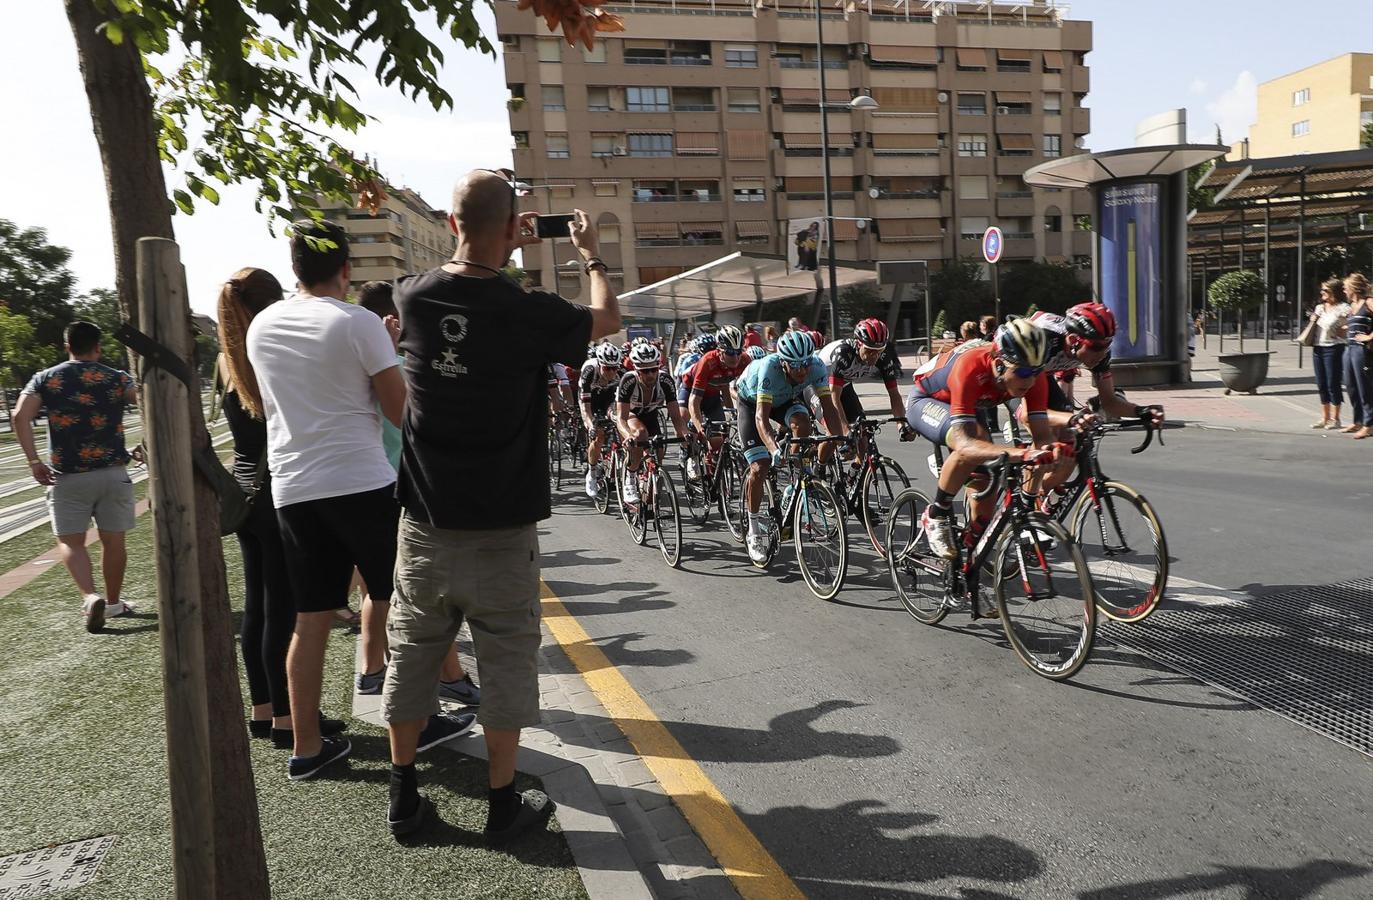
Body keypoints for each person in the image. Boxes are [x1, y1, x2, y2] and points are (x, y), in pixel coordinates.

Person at [384, 169, 620, 842]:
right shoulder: (529, 311)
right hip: (500, 527)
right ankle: (500, 805)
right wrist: (590, 254)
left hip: (424, 522)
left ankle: (404, 799)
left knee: (412, 655)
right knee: (506, 661)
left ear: (452, 225)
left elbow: (412, 316)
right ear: (514, 232)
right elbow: (607, 318)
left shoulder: (413, 295)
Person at [248, 219, 474, 782]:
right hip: (361, 482)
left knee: (311, 618)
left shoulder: (261, 326)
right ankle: (419, 721)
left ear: (295, 267)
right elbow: (402, 413)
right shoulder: (360, 324)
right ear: (346, 269)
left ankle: (305, 745)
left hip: (293, 488)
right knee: (401, 604)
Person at [354, 281, 480, 708]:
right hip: (399, 486)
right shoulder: (391, 365)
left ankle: (372, 673)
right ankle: (448, 678)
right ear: (390, 319)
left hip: (373, 485)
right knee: (425, 593)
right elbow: (417, 424)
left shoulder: (360, 362)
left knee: (381, 589)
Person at [217, 268, 329, 746]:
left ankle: (264, 710)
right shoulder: (271, 352)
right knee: (283, 608)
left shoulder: (226, 359)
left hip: (245, 493)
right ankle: (289, 720)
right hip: (277, 487)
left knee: (258, 607)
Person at [905, 319, 1069, 569]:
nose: (1031, 380)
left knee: (986, 489)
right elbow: (965, 443)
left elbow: (1041, 436)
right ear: (999, 364)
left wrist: (1052, 451)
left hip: (972, 405)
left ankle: (971, 556)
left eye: (1037, 371)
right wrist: (1020, 454)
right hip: (927, 400)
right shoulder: (970, 366)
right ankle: (936, 515)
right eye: (1024, 372)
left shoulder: (1033, 376)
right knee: (972, 447)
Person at [14, 321, 138, 632]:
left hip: (67, 476)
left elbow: (20, 416)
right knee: (114, 541)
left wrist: (33, 461)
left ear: (67, 345)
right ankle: (112, 603)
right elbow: (149, 402)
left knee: (71, 541)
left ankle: (89, 596)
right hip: (113, 472)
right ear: (98, 346)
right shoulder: (117, 378)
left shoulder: (45, 378)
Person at [732, 330, 844, 564]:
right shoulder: (769, 368)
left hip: (784, 400)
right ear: (783, 362)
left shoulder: (816, 366)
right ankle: (753, 531)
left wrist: (837, 436)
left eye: (805, 364)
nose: (802, 370)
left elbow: (829, 407)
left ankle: (794, 486)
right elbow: (761, 420)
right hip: (752, 403)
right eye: (795, 366)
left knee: (803, 425)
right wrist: (773, 450)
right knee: (760, 467)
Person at [816, 318, 915, 450]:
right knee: (835, 434)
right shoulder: (844, 354)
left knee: (863, 432)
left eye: (879, 351)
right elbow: (834, 397)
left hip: (844, 384)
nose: (874, 356)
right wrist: (845, 431)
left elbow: (894, 394)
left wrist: (901, 424)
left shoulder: (883, 357)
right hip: (818, 384)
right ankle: (819, 467)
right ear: (858, 344)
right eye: (869, 351)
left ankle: (856, 469)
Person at [616, 341, 690, 505]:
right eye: (644, 371)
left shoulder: (665, 380)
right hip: (631, 414)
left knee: (658, 453)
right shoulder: (628, 381)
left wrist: (684, 433)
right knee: (640, 434)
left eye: (653, 369)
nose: (650, 375)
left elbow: (676, 417)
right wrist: (628, 436)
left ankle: (649, 488)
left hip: (650, 415)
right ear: (636, 370)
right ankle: (631, 477)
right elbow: (621, 418)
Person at [686, 325, 748, 475]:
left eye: (739, 352)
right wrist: (699, 426)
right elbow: (694, 401)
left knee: (717, 438)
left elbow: (744, 394)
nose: (735, 357)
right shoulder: (707, 362)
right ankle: (689, 455)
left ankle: (713, 467)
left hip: (714, 394)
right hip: (690, 390)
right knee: (685, 419)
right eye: (730, 352)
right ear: (719, 351)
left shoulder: (745, 360)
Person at [580, 342, 624, 498]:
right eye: (607, 368)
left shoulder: (621, 372)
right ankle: (591, 474)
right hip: (591, 400)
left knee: (619, 420)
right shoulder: (589, 371)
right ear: (599, 364)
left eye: (615, 368)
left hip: (608, 397)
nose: (612, 372)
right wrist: (591, 425)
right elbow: (585, 409)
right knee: (597, 435)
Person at [1307, 277, 1349, 430]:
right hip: (1318, 347)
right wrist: (1312, 320)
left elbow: (1349, 327)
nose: (1322, 292)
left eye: (1325, 290)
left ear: (1334, 292)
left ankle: (1335, 418)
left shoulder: (1343, 308)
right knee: (1321, 383)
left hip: (1334, 348)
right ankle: (1324, 418)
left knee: (1333, 383)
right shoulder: (1319, 308)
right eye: (1322, 289)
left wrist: (1343, 330)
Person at [1342, 273, 1373, 439]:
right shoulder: (1351, 306)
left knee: (1364, 386)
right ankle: (1358, 421)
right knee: (1350, 385)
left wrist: (1369, 336)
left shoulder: (1368, 302)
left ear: (1353, 288)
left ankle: (1369, 424)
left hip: (1362, 350)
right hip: (1349, 348)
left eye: (1346, 287)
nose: (1344, 290)